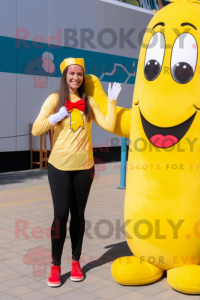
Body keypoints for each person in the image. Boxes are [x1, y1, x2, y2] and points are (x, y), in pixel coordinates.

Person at [32, 58, 121, 287]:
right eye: (72, 73)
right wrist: (56, 116)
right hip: (59, 166)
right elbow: (36, 129)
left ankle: (75, 261)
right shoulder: (54, 99)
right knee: (60, 214)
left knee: (78, 215)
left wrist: (111, 101)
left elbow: (109, 125)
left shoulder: (88, 101)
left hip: (84, 167)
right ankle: (55, 265)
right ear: (65, 76)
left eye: (79, 74)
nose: (75, 77)